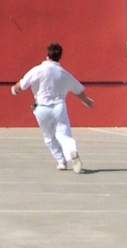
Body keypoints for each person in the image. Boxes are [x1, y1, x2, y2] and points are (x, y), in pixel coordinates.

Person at [12, 42, 94, 173]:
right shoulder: (64, 73)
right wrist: (87, 101)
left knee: (49, 137)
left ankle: (61, 161)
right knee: (64, 135)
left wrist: (14, 90)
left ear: (47, 55)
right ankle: (72, 151)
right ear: (59, 57)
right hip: (59, 108)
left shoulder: (38, 70)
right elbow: (78, 90)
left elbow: (21, 85)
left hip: (42, 108)